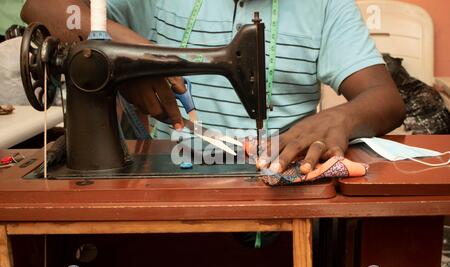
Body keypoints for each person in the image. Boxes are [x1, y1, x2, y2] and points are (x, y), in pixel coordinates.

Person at [21, 0, 405, 175]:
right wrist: (134, 55)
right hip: (165, 178)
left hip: (276, 187)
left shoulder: (325, 6)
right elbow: (40, 7)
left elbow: (386, 99)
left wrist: (342, 117)